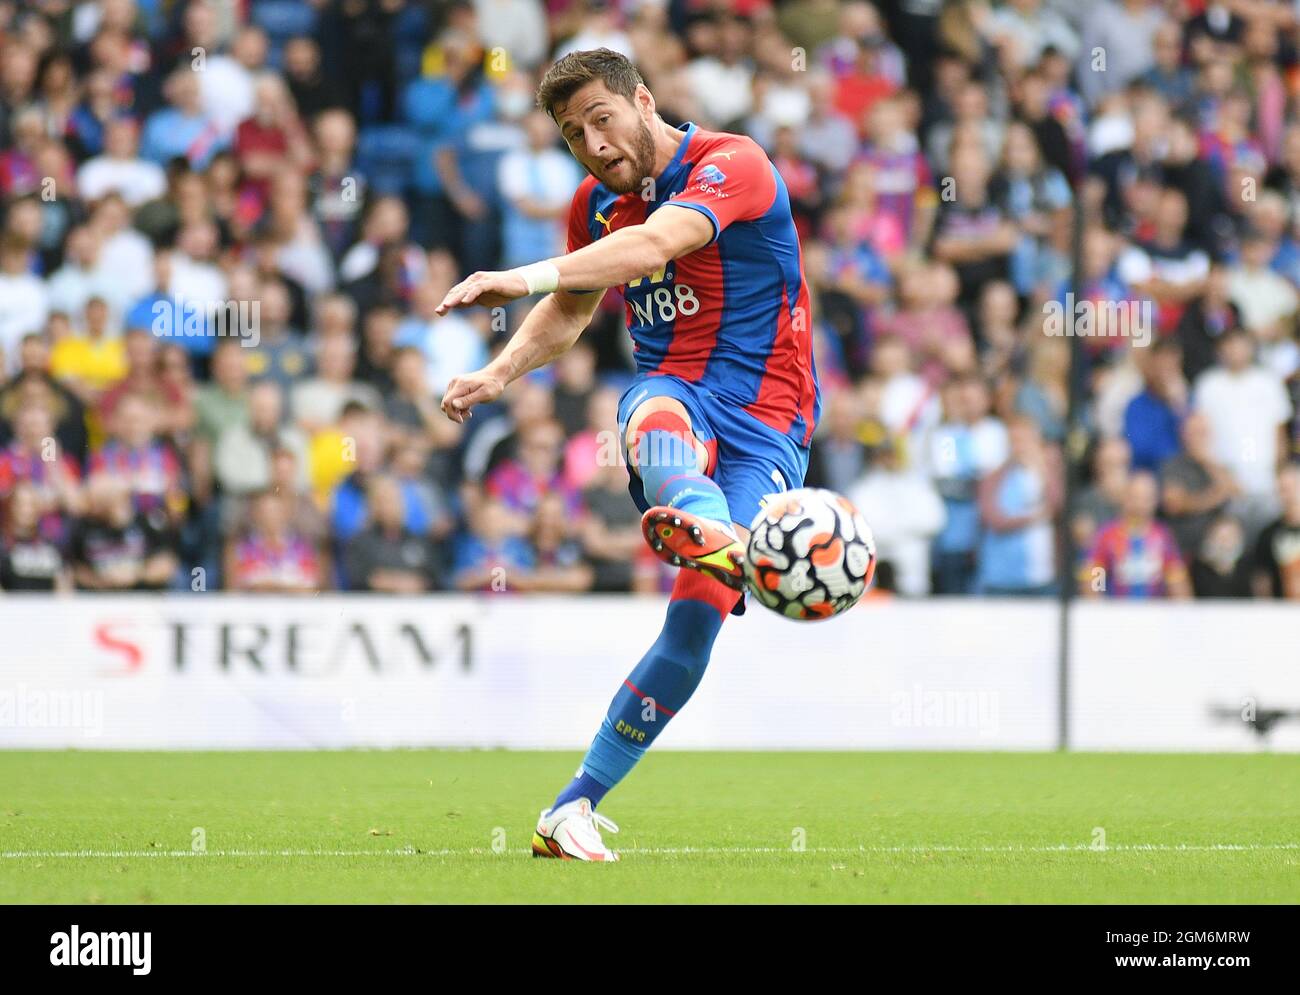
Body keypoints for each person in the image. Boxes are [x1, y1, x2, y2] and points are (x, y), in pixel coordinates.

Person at [434, 49, 820, 860]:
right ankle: (708, 525)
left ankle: (570, 807)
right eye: (573, 134)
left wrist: (521, 275)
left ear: (643, 101)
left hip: (770, 424)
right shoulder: (593, 205)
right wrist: (499, 370)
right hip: (677, 395)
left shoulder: (732, 162)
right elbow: (573, 309)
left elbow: (655, 246)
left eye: (601, 119)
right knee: (650, 410)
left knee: (698, 617)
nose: (593, 144)